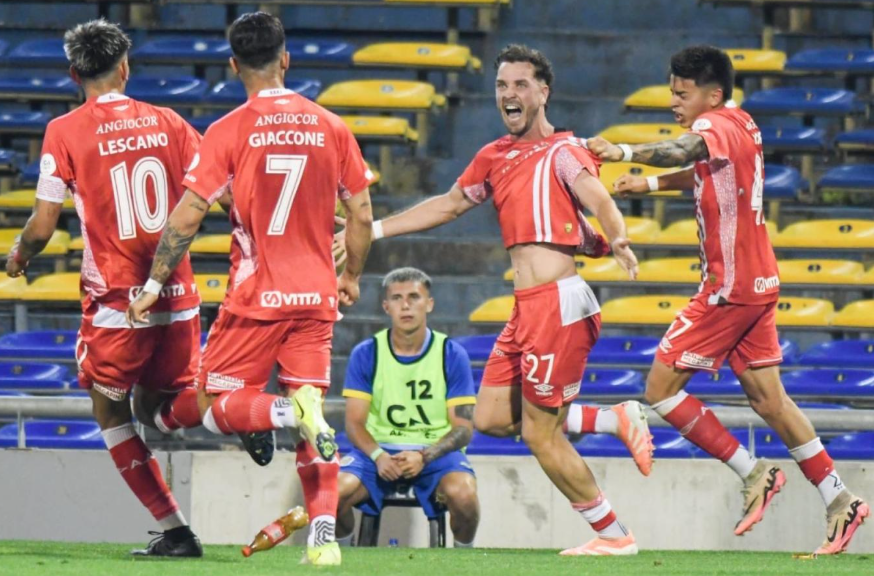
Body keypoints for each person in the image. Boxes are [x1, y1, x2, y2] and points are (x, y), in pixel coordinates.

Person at [338, 44, 653, 556]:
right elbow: (450, 203)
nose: (509, 94)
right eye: (502, 85)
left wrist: (615, 235)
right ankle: (607, 418)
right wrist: (371, 228)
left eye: (521, 84)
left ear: (543, 92)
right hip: (526, 307)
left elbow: (597, 196)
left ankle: (614, 536)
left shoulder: (564, 150)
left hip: (558, 303)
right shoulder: (494, 156)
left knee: (539, 434)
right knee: (487, 419)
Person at [586, 45, 869, 555]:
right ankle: (839, 499)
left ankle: (754, 471)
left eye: (682, 93)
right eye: (672, 92)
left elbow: (684, 151)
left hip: (730, 288)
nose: (674, 101)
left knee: (660, 388)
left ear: (712, 94)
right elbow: (700, 169)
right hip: (758, 282)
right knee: (769, 401)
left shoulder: (713, 126)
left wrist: (622, 152)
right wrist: (647, 184)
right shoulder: (741, 122)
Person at [126, 12, 374, 566]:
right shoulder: (331, 126)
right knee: (315, 417)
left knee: (218, 401)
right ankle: (324, 541)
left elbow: (189, 214)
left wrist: (152, 282)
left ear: (233, 65)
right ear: (287, 59)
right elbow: (360, 213)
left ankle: (288, 413)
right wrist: (351, 276)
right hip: (316, 297)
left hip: (256, 296)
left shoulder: (229, 129)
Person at [4, 19, 204, 556]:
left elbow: (44, 226)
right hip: (178, 294)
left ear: (74, 73)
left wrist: (20, 254)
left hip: (118, 302)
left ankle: (177, 531)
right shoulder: (169, 120)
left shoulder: (65, 131)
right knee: (165, 405)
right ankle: (245, 408)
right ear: (125, 68)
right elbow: (217, 193)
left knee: (111, 410)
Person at [337, 267, 479, 547]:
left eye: (414, 297)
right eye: (397, 298)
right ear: (386, 306)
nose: (405, 305)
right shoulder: (366, 352)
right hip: (377, 451)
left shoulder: (451, 354)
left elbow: (463, 429)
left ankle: (464, 560)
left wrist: (424, 457)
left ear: (429, 304)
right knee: (333, 494)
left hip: (434, 453)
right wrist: (378, 455)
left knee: (464, 496)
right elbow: (354, 423)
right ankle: (342, 555)